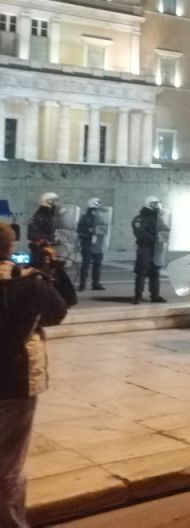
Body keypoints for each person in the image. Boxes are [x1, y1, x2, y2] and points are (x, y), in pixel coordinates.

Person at [0, 222, 68, 527]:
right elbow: (58, 312)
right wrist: (49, 270)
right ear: (10, 248)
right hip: (15, 379)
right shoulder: (30, 283)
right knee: (8, 462)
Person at [131, 196, 167, 304]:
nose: (157, 206)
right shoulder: (140, 218)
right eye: (155, 204)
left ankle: (155, 295)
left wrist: (164, 236)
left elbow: (165, 230)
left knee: (155, 271)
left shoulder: (159, 219)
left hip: (156, 248)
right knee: (142, 271)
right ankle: (138, 295)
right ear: (149, 204)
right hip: (144, 247)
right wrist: (153, 238)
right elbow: (139, 232)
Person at [76, 197, 107, 291]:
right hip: (87, 244)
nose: (98, 211)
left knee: (97, 264)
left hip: (97, 244)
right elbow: (79, 230)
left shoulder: (100, 218)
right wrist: (89, 231)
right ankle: (82, 284)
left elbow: (104, 229)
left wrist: (96, 230)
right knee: (86, 264)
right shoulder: (84, 218)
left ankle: (95, 284)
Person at [26, 192, 60, 269]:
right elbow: (31, 235)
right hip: (39, 250)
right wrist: (47, 238)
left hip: (49, 249)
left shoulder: (50, 217)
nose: (56, 204)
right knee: (37, 269)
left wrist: (56, 238)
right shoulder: (37, 217)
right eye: (54, 201)